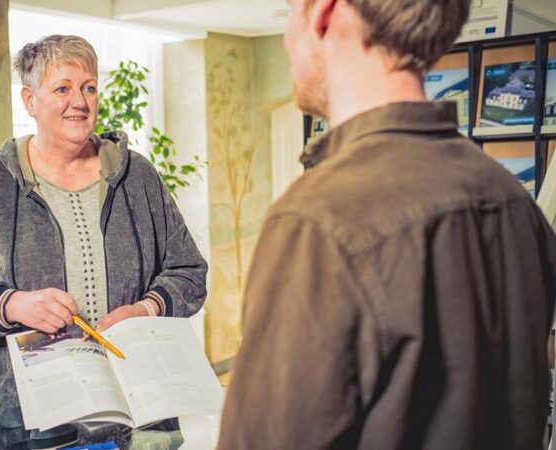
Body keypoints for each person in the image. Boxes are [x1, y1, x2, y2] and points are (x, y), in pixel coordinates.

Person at [218, 0, 556, 448]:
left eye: (289, 11)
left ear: (323, 12)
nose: (286, 37)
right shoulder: (513, 201)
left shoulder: (317, 219)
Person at [0, 35, 207, 426]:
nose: (80, 101)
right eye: (62, 88)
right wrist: (11, 304)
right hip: (28, 426)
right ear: (29, 101)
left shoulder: (137, 175)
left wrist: (146, 309)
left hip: (139, 413)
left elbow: (190, 273)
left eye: (88, 87)